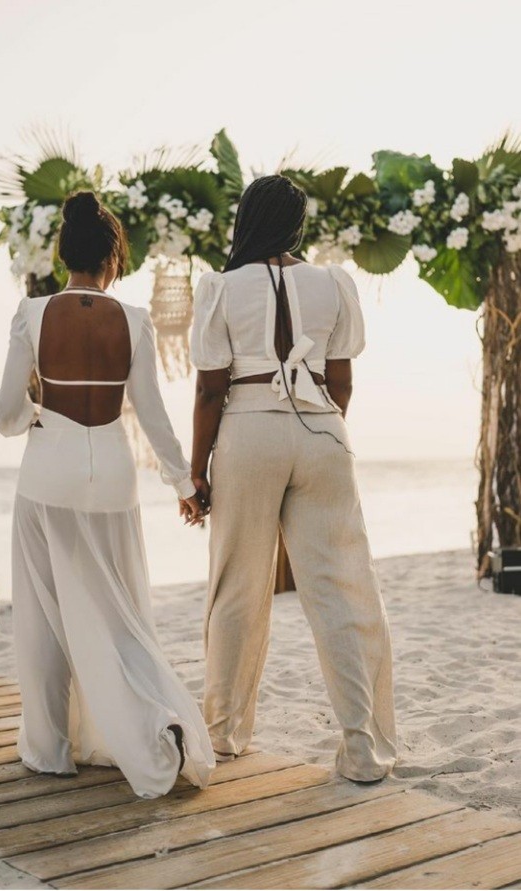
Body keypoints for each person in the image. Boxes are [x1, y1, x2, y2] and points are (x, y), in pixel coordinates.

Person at [0, 190, 215, 799]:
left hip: (47, 478)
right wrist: (183, 483)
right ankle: (147, 721)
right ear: (112, 258)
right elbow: (153, 416)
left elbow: (4, 411)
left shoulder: (32, 315)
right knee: (122, 614)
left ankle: (50, 748)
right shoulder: (134, 321)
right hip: (113, 477)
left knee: (42, 618)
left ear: (64, 253)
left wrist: (34, 417)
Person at [188, 174, 398, 782]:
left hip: (247, 429)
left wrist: (198, 471)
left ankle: (224, 736)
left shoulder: (221, 288)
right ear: (298, 225)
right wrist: (322, 434)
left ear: (246, 222)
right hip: (323, 429)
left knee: (237, 589)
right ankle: (364, 749)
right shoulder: (333, 282)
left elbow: (209, 388)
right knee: (342, 589)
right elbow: (343, 379)